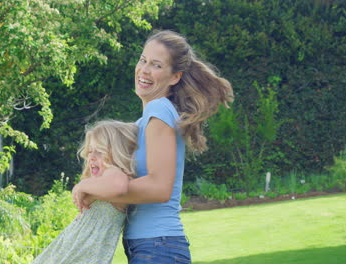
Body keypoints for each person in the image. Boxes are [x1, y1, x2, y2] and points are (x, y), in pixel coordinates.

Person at [73, 30, 233, 263]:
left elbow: (159, 189)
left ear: (174, 77)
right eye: (143, 60)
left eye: (156, 65)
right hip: (152, 245)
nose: (144, 70)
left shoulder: (159, 110)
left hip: (158, 245)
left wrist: (88, 187)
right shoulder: (145, 120)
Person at [32, 120, 138, 264]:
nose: (92, 157)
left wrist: (81, 186)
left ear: (116, 153)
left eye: (100, 151)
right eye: (89, 151)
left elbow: (118, 185)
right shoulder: (100, 185)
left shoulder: (115, 172)